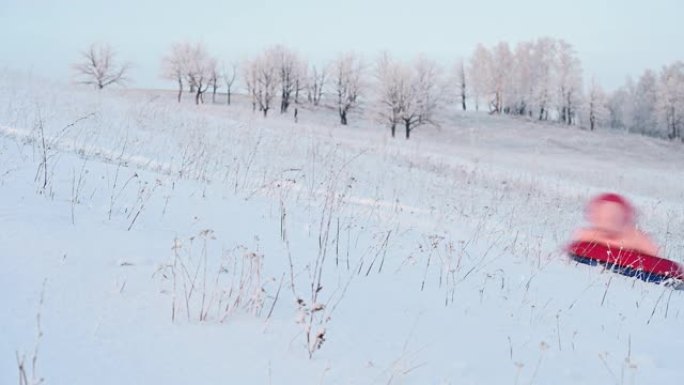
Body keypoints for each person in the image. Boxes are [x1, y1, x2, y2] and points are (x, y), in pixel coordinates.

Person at [570, 193, 659, 256]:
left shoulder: (634, 237)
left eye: (614, 217)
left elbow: (654, 256)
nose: (609, 222)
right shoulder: (591, 235)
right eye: (605, 217)